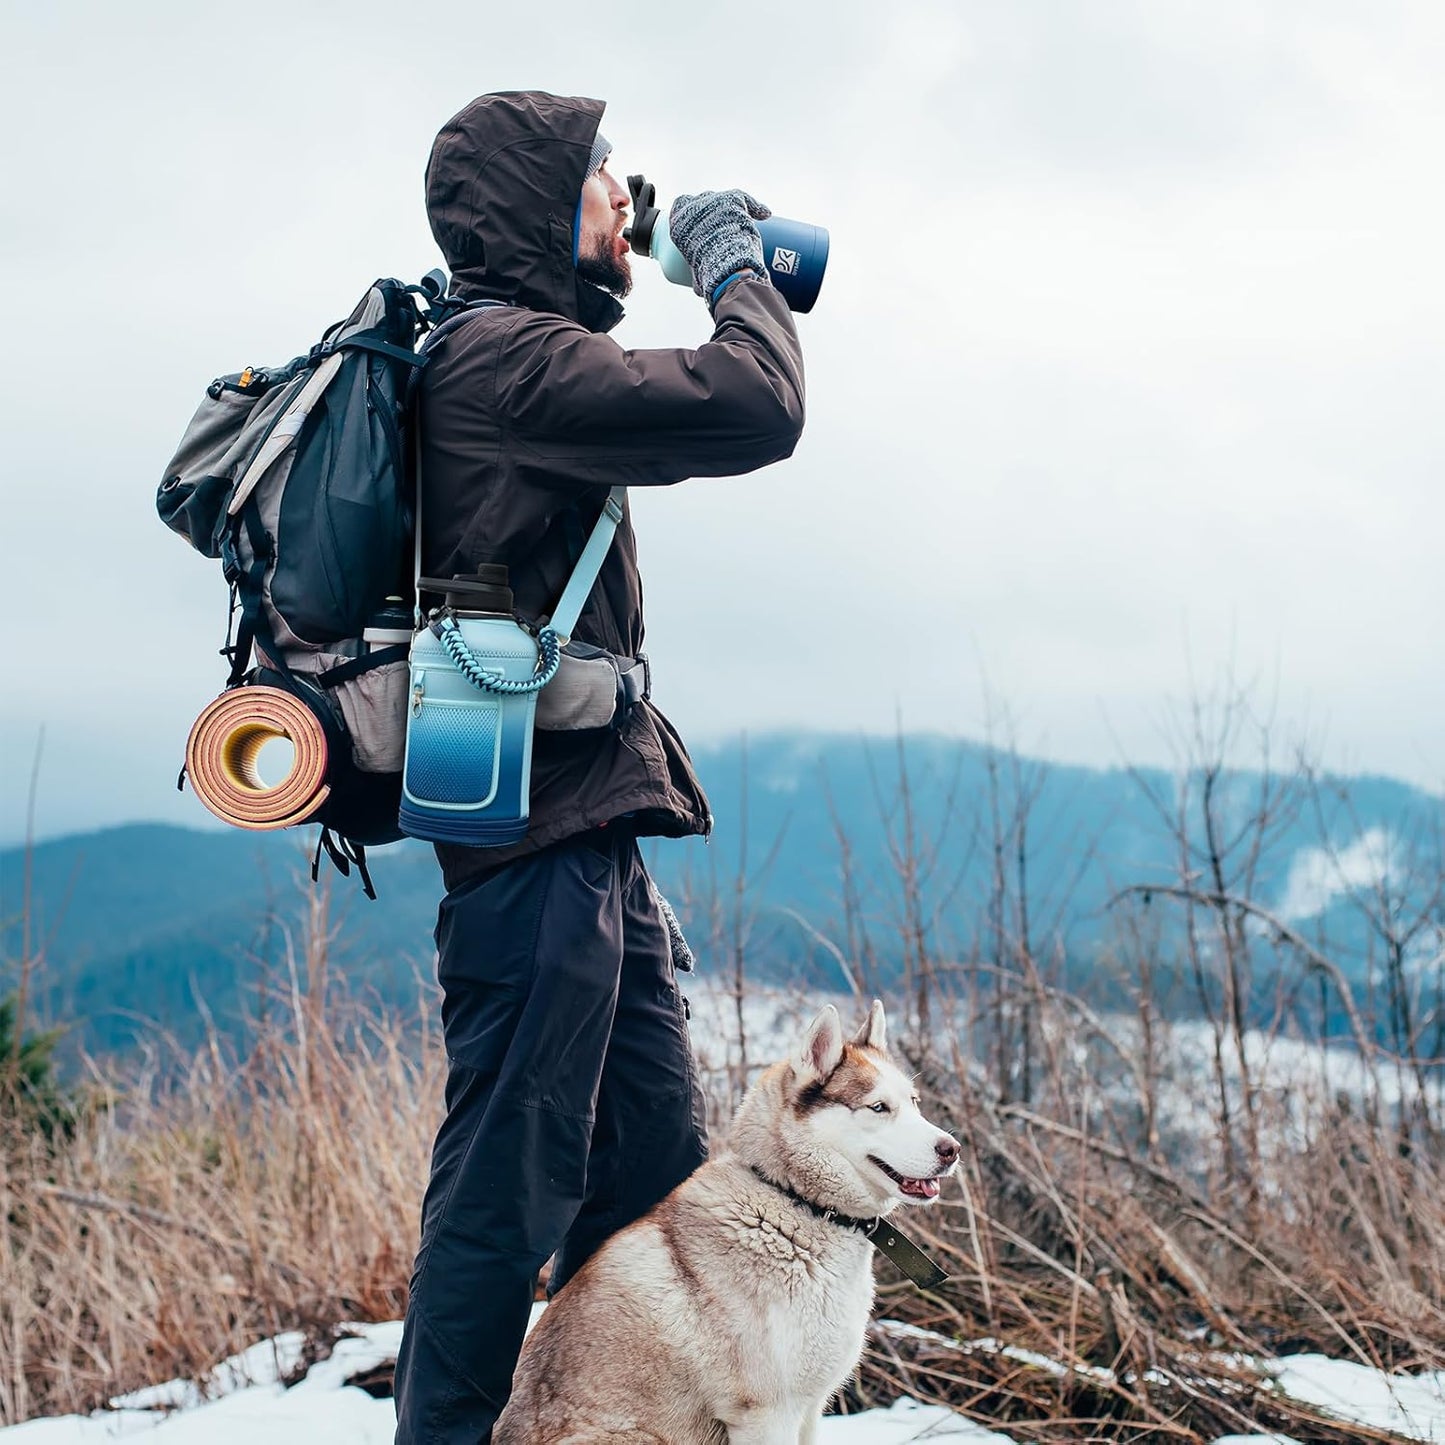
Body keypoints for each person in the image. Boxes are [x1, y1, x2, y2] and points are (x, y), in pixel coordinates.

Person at [393, 90, 806, 1444]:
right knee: (504, 1181)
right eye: (605, 182)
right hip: (534, 843)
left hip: (581, 826)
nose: (626, 201)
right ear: (537, 210)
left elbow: (689, 413)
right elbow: (753, 402)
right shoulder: (508, 363)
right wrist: (727, 255)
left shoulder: (523, 359)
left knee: (647, 1167)